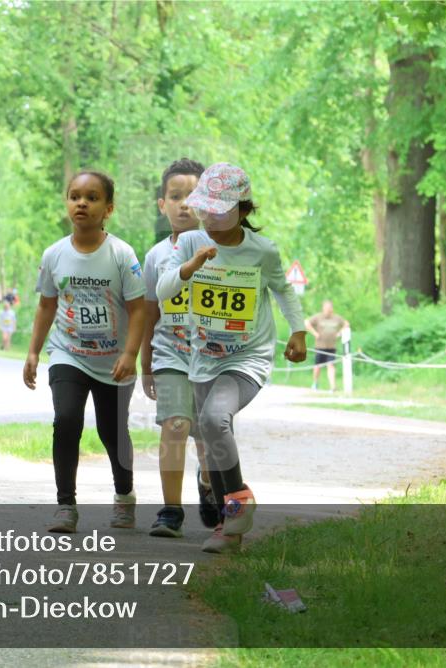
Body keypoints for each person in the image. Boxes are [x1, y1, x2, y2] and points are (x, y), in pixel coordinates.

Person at [156, 163, 307, 553]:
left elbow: (284, 291)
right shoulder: (190, 242)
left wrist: (298, 330)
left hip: (247, 357)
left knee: (212, 419)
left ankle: (239, 498)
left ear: (243, 210)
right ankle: (229, 530)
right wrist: (190, 268)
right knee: (212, 433)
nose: (208, 219)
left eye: (218, 212)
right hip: (203, 356)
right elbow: (162, 288)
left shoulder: (261, 250)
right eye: (204, 209)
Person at [23, 170, 146, 533]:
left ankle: (124, 496)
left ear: (108, 208)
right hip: (68, 353)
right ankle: (66, 506)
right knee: (66, 420)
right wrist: (33, 352)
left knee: (113, 432)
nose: (82, 203)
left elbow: (138, 309)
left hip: (113, 362)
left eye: (92, 198)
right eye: (75, 196)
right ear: (67, 202)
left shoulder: (122, 254)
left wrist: (130, 353)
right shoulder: (54, 254)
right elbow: (46, 306)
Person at [141, 158, 219, 538]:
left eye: (193, 195)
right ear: (162, 204)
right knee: (175, 424)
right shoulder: (156, 257)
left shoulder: (223, 251)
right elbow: (148, 312)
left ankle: (208, 483)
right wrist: (144, 362)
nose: (184, 203)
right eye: (175, 196)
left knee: (206, 436)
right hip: (170, 352)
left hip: (211, 359)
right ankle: (171, 510)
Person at [305, 300, 349, 392]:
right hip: (320, 347)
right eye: (326, 308)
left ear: (332, 309)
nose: (328, 310)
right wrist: (315, 333)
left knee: (331, 365)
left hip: (331, 347)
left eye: (329, 308)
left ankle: (333, 387)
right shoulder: (318, 317)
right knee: (317, 366)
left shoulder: (336, 318)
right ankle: (315, 383)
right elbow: (306, 322)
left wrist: (339, 333)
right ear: (323, 308)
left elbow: (346, 324)